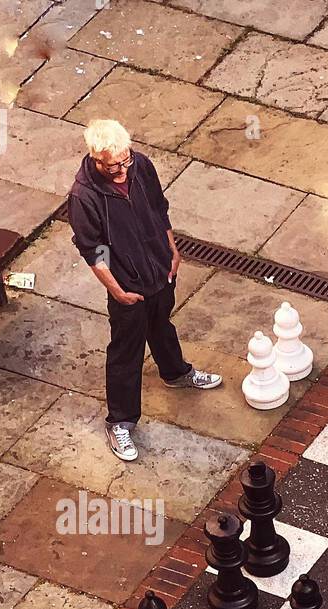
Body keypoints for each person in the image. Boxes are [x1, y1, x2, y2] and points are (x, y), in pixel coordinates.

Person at [67, 119, 221, 462]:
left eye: (126, 161)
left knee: (162, 325)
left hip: (160, 269)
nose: (122, 170)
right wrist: (117, 290)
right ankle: (120, 420)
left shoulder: (142, 166)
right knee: (126, 350)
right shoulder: (84, 197)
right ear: (96, 159)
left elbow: (158, 208)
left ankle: (176, 372)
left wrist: (172, 250)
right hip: (128, 285)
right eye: (114, 166)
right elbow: (94, 251)